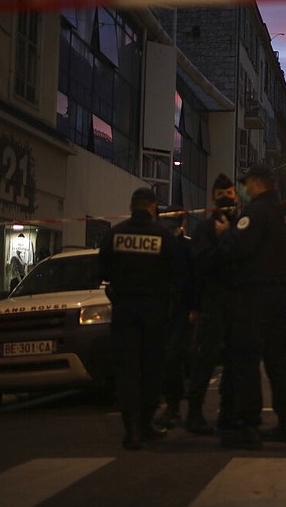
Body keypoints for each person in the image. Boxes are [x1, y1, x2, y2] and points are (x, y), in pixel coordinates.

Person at [215, 164, 286, 449]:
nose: (244, 189)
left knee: (247, 361)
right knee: (277, 360)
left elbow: (237, 249)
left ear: (256, 183)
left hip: (254, 295)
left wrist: (225, 233)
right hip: (280, 295)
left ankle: (249, 426)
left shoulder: (256, 212)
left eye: (246, 184)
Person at [98, 187, 184, 450]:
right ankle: (146, 426)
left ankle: (130, 429)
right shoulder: (163, 236)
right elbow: (177, 275)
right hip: (154, 313)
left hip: (124, 311)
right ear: (153, 207)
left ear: (131, 206)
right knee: (151, 370)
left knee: (127, 371)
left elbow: (103, 272)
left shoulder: (114, 234)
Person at [184, 174, 238, 436]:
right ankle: (194, 413)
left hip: (234, 305)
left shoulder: (239, 226)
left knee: (232, 362)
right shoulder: (206, 230)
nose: (228, 199)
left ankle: (227, 412)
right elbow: (200, 267)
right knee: (205, 360)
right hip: (213, 304)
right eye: (223, 194)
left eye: (230, 194)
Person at [155, 206, 196, 429]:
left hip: (179, 310)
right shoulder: (157, 247)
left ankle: (173, 407)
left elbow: (194, 281)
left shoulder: (187, 248)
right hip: (160, 310)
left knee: (173, 358)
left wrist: (193, 308)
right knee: (162, 359)